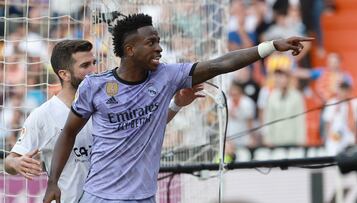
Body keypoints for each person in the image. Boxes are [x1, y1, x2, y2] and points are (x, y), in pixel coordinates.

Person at [43, 13, 312, 203]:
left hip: (144, 196)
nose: (159, 48)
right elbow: (68, 133)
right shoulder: (95, 86)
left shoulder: (167, 76)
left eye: (159, 41)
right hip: (100, 196)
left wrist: (270, 47)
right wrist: (53, 181)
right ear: (129, 49)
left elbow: (218, 64)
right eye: (151, 43)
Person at [4, 40, 202, 203]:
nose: (93, 70)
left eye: (94, 63)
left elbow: (145, 126)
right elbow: (9, 161)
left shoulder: (107, 99)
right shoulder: (42, 115)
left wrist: (176, 104)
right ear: (64, 74)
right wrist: (18, 163)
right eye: (85, 66)